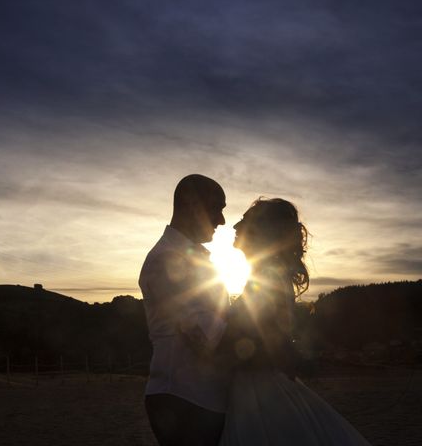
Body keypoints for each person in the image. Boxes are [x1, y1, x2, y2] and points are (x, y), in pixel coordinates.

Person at [217, 198, 370, 445]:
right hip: (258, 389)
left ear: (262, 231)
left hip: (258, 394)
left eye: (244, 220)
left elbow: (264, 348)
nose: (235, 225)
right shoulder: (266, 274)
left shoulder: (267, 277)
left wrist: (211, 347)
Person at [139, 174, 231, 446]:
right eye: (217, 208)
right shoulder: (166, 259)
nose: (222, 220)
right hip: (183, 399)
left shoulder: (191, 258)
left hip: (200, 398)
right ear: (192, 204)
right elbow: (202, 336)